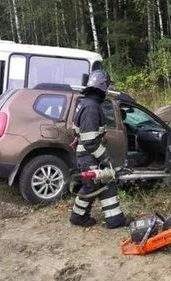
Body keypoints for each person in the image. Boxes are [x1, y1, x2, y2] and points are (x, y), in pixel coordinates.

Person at [69, 70, 134, 228]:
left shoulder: (87, 104)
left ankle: (87, 217)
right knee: (97, 185)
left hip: (87, 156)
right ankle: (108, 219)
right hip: (90, 156)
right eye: (107, 87)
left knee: (98, 185)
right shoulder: (91, 108)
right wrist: (105, 158)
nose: (107, 92)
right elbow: (90, 141)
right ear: (102, 87)